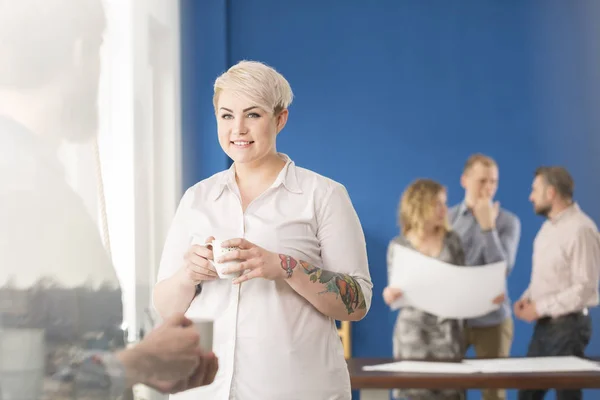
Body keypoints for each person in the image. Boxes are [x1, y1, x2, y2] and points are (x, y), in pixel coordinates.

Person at [0, 0, 217, 398]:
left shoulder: (44, 181)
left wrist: (143, 365)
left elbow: (47, 355)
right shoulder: (16, 184)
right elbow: (13, 381)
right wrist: (140, 361)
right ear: (83, 50)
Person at [153, 60, 373, 400]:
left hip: (295, 390)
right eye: (226, 116)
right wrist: (188, 274)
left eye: (252, 115)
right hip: (203, 391)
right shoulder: (197, 199)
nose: (238, 128)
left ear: (280, 119)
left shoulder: (323, 196)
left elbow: (357, 302)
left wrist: (284, 267)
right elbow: (166, 307)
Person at [516, 166, 600, 400]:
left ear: (551, 193)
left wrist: (539, 308)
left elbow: (584, 288)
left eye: (535, 190)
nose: (530, 197)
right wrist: (528, 297)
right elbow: (548, 276)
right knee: (528, 393)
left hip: (569, 328)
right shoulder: (547, 229)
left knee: (566, 395)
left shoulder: (581, 229)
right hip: (544, 327)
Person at [382, 179, 466, 400]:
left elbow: (463, 281)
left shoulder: (453, 241)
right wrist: (390, 294)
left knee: (450, 392)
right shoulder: (399, 246)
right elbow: (395, 289)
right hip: (412, 334)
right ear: (420, 204)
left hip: (448, 333)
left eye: (444, 203)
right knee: (413, 393)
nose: (444, 210)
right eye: (437, 203)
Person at [448, 154, 521, 400]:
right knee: (447, 389)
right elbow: (443, 264)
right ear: (465, 180)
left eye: (493, 181)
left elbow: (503, 269)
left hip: (493, 321)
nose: (489, 187)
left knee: (493, 393)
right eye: (482, 181)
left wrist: (488, 227)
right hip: (453, 319)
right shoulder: (447, 219)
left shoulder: (508, 222)